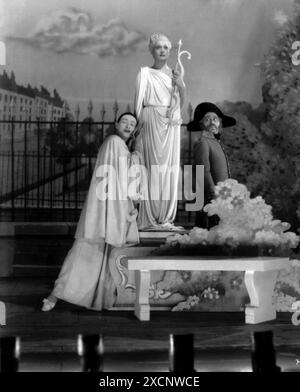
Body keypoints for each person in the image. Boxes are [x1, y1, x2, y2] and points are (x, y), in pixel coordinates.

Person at [41, 113, 140, 311]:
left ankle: (91, 297)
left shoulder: (119, 146)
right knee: (85, 251)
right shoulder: (114, 142)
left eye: (132, 124)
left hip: (110, 206)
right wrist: (136, 159)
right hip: (107, 207)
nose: (128, 126)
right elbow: (120, 176)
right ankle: (55, 295)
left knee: (97, 255)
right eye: (125, 122)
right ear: (116, 123)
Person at [134, 33, 186, 231]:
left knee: (167, 171)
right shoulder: (144, 73)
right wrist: (138, 130)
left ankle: (164, 217)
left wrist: (180, 85)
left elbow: (182, 103)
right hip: (150, 121)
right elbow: (138, 104)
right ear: (151, 50)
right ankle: (149, 218)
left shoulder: (175, 75)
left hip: (169, 125)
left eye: (166, 47)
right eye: (158, 47)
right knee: (151, 169)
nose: (163, 50)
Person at [187, 102, 236, 229]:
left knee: (219, 230)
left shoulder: (216, 143)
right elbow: (203, 170)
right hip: (210, 196)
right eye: (207, 119)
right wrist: (212, 191)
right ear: (201, 124)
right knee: (208, 231)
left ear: (220, 123)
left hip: (222, 196)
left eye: (215, 119)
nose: (212, 122)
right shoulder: (203, 142)